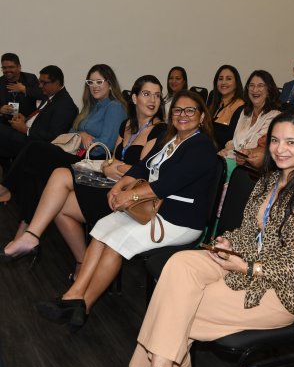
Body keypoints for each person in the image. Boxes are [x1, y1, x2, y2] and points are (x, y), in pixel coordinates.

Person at [129, 109, 294, 367]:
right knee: (179, 265)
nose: (279, 149)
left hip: (284, 292)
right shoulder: (269, 181)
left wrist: (248, 266)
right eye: (274, 140)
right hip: (246, 266)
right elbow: (249, 232)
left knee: (177, 306)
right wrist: (229, 242)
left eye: (290, 142)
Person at [36, 90, 218, 330]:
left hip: (179, 221)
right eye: (177, 110)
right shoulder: (171, 140)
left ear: (202, 116)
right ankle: (75, 295)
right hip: (154, 210)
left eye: (189, 110)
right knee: (103, 226)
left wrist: (128, 195)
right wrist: (118, 187)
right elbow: (143, 167)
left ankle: (84, 305)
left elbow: (167, 184)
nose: (182, 115)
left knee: (115, 241)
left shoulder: (202, 146)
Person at [0, 75, 166, 281]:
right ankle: (78, 260)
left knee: (56, 173)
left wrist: (115, 167)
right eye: (146, 94)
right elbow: (111, 159)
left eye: (157, 95)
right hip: (109, 183)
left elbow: (143, 171)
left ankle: (31, 235)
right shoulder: (127, 125)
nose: (152, 100)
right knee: (57, 202)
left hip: (128, 197)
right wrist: (108, 167)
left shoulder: (160, 129)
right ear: (134, 98)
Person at [0, 64, 127, 234]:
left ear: (110, 83)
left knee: (35, 148)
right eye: (91, 82)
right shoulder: (91, 105)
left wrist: (83, 137)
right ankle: (25, 229)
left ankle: (7, 188)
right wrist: (82, 134)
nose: (94, 86)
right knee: (33, 171)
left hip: (92, 164)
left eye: (99, 82)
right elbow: (71, 132)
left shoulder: (114, 107)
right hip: (77, 155)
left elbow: (105, 146)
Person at [0, 64, 77, 160]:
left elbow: (54, 137)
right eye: (40, 82)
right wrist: (25, 119)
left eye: (44, 83)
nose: (40, 86)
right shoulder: (49, 95)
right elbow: (40, 119)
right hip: (29, 136)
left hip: (35, 145)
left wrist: (26, 129)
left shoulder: (65, 105)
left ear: (57, 83)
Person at [220, 70, 280, 175]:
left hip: (250, 171)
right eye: (251, 86)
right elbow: (234, 142)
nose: (255, 90)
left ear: (269, 89)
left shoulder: (275, 117)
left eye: (260, 85)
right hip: (231, 161)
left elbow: (262, 149)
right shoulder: (243, 112)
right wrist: (225, 150)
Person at [209, 65, 244, 150]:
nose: (223, 82)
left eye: (228, 79)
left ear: (236, 83)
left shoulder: (242, 107)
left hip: (223, 155)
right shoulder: (214, 103)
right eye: (220, 79)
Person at [0, 53, 43, 120]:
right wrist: (0, 109)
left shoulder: (30, 78)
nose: (7, 70)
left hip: (27, 120)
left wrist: (24, 89)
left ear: (19, 67)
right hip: (6, 121)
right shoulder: (0, 82)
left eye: (11, 67)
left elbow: (43, 95)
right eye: (4, 68)